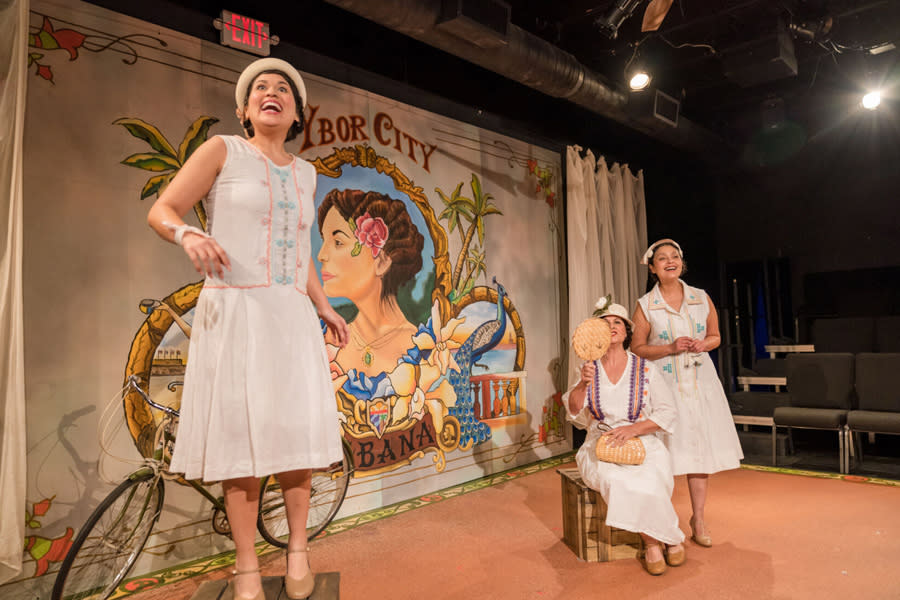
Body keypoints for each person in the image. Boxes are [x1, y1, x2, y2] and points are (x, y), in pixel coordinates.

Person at [147, 57, 349, 600]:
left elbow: (300, 247)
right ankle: (245, 567)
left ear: (296, 112)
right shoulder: (223, 151)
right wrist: (187, 234)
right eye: (260, 87)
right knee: (242, 446)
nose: (271, 92)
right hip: (234, 314)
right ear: (243, 110)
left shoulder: (306, 173)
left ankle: (298, 549)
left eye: (283, 88)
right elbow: (163, 209)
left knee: (295, 442)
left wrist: (323, 304)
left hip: (289, 317)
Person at [631, 238, 743, 548]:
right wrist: (668, 347)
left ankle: (699, 518)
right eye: (663, 258)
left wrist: (702, 344)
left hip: (699, 383)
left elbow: (716, 336)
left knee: (697, 453)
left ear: (682, 262)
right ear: (653, 268)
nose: (670, 261)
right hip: (665, 387)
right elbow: (636, 348)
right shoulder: (645, 305)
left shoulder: (700, 297)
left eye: (675, 256)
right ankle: (662, 522)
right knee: (662, 456)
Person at [566, 299, 685, 575]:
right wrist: (583, 384)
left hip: (641, 440)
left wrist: (633, 429)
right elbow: (573, 410)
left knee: (652, 476)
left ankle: (660, 539)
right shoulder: (587, 368)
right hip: (600, 443)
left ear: (626, 331)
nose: (612, 327)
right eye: (604, 323)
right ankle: (658, 541)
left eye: (617, 322)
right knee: (615, 480)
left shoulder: (645, 369)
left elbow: (667, 412)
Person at [316, 188, 424, 376]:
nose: (321, 255)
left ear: (381, 261)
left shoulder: (419, 346)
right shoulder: (325, 340)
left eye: (338, 242)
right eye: (324, 240)